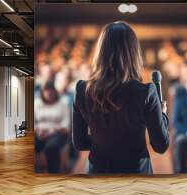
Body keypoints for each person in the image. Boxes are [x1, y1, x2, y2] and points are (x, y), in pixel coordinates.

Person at [72, 21, 169, 174]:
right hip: (136, 171)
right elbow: (160, 146)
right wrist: (162, 114)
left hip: (97, 170)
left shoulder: (82, 89)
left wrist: (104, 142)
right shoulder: (146, 92)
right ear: (133, 53)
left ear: (101, 52)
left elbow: (80, 143)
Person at [35, 81, 70, 173]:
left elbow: (66, 124)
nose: (49, 93)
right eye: (46, 91)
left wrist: (52, 131)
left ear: (55, 92)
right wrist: (38, 130)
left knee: (51, 147)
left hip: (58, 133)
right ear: (42, 92)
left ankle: (53, 172)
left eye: (51, 90)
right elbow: (32, 121)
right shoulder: (37, 103)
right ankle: (36, 171)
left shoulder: (63, 104)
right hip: (40, 132)